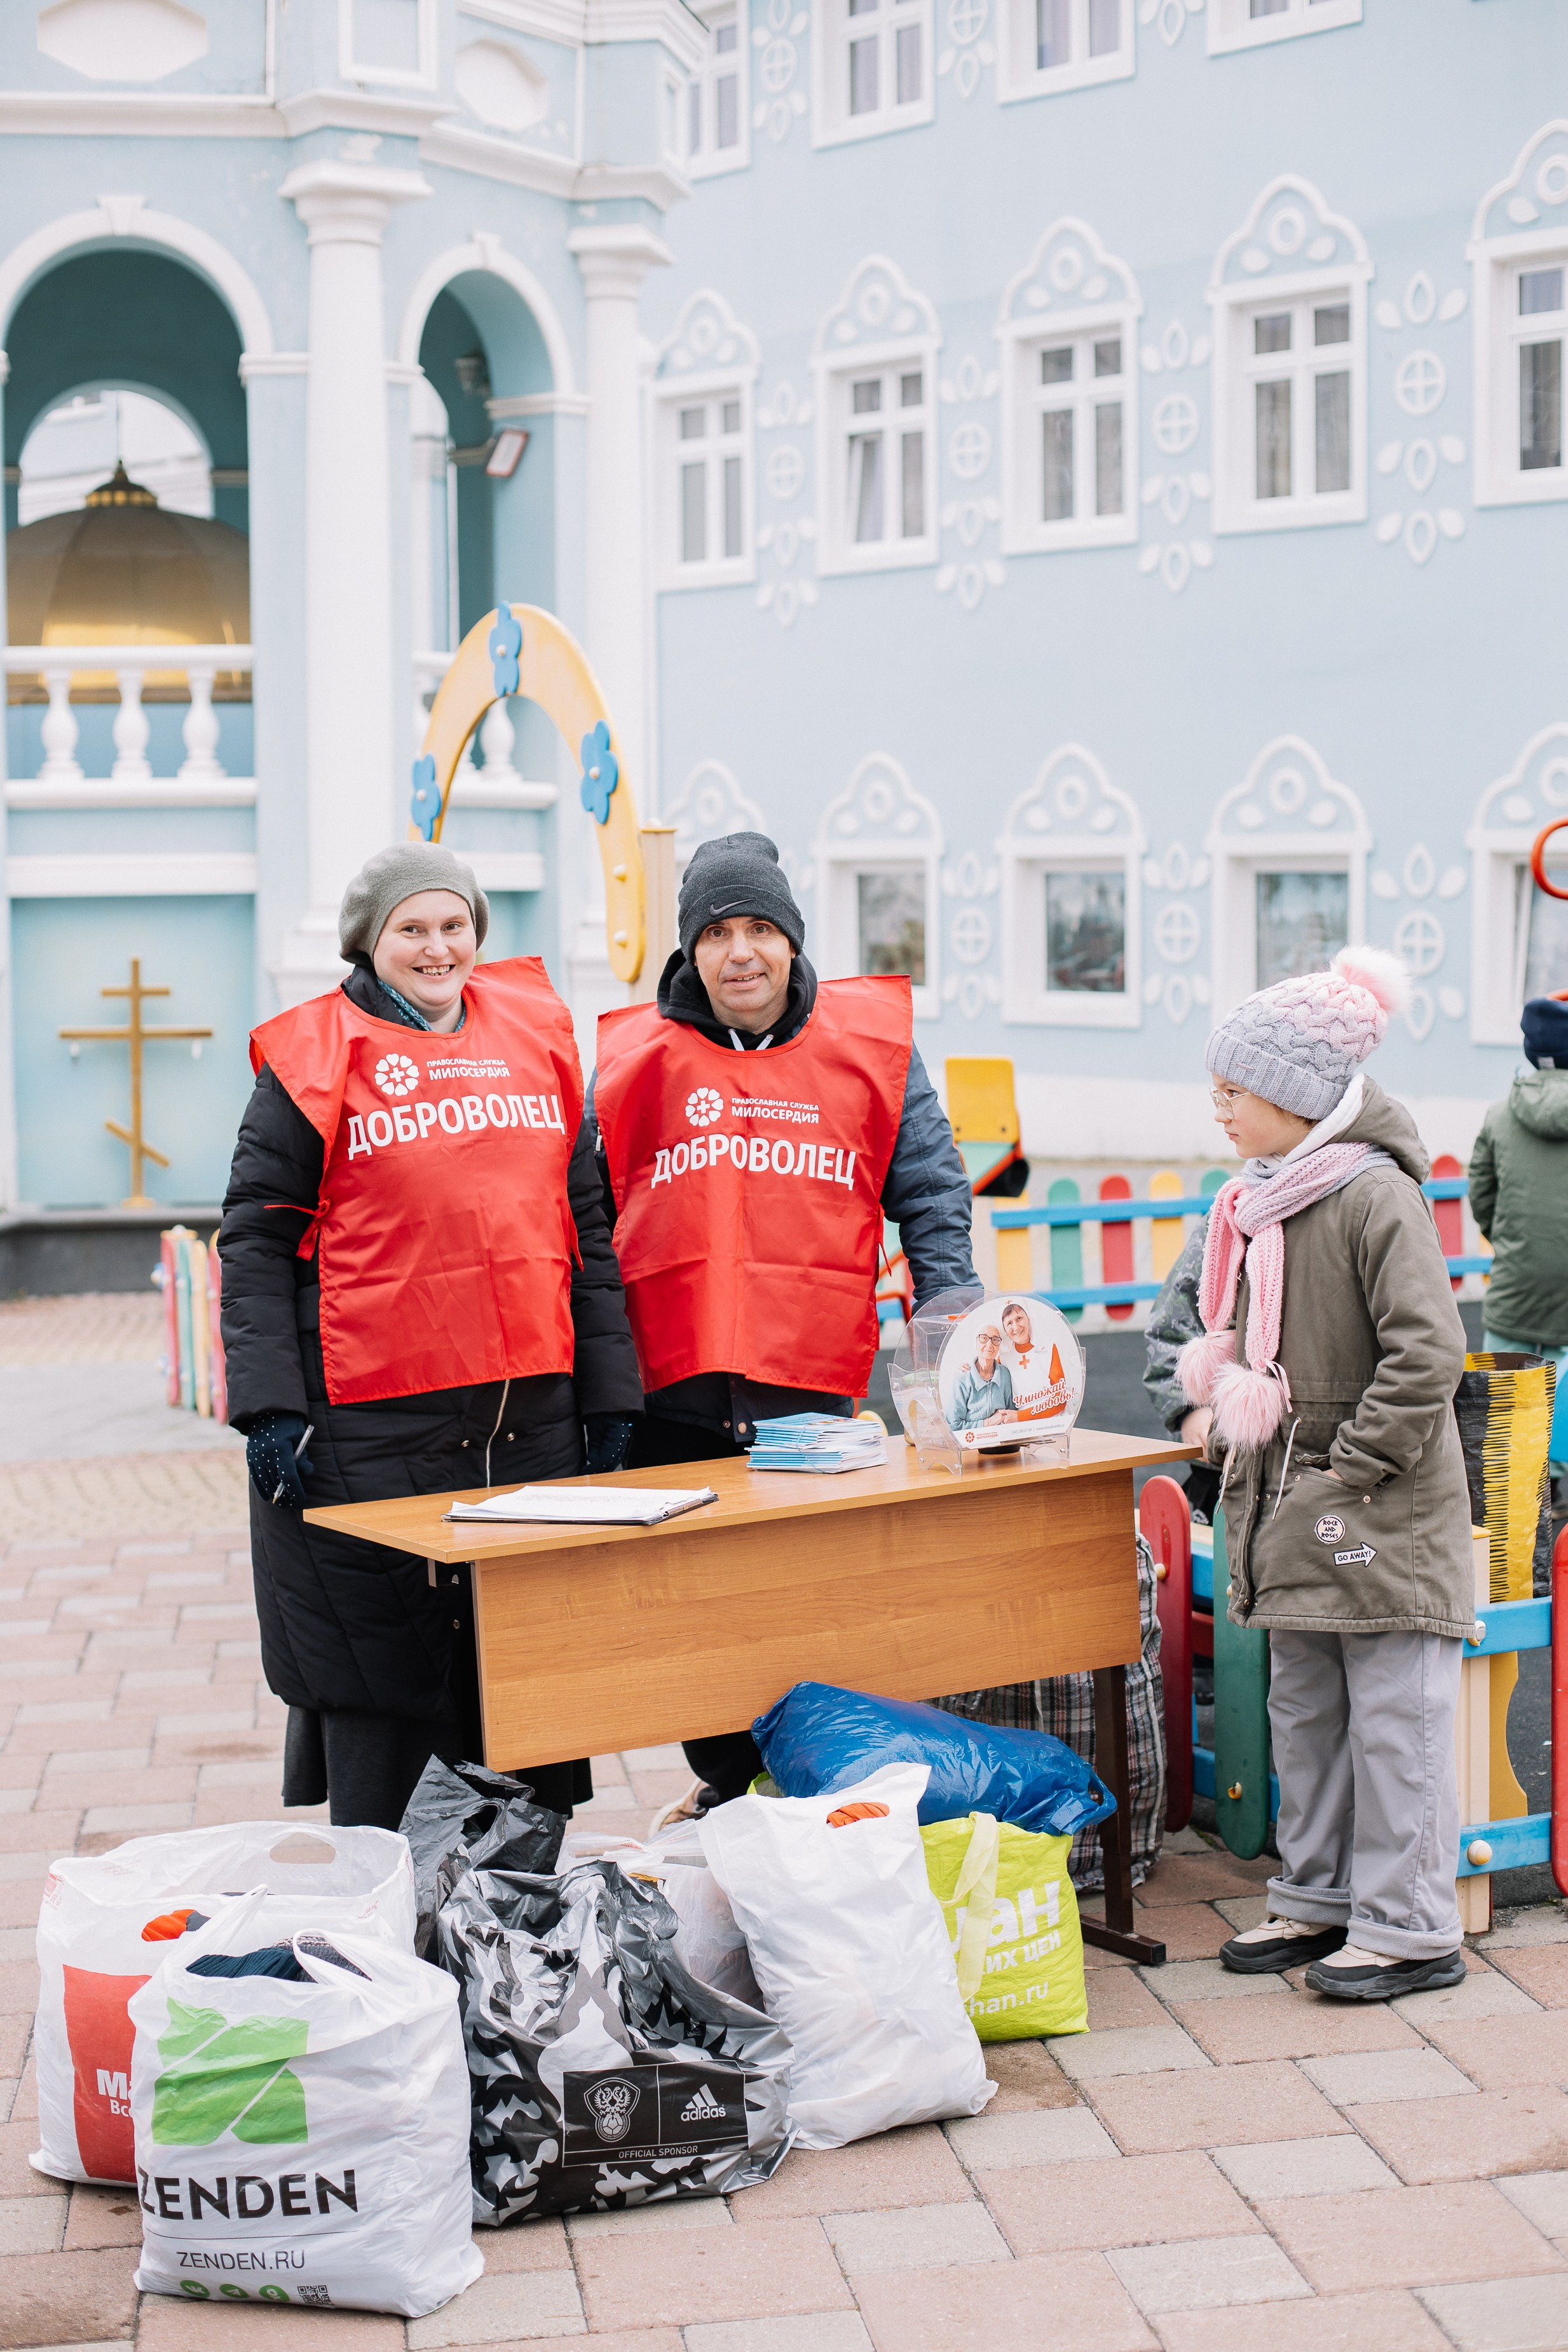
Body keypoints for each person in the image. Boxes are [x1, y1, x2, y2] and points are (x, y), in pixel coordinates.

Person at [219, 843, 643, 1831]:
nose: (436, 946)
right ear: (371, 941)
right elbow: (254, 1236)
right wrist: (270, 1408)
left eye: (454, 925)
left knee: (520, 1667)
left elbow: (586, 1224)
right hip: (372, 1428)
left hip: (524, 1422)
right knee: (386, 1671)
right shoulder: (313, 1056)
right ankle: (388, 1921)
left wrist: (611, 1398)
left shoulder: (536, 1038)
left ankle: (523, 1928)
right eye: (411, 927)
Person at [587, 830, 976, 1817]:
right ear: (689, 953)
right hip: (666, 1391)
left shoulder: (871, 1050)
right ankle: (727, 1783)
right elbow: (584, 1216)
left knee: (806, 1597)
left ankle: (800, 1781)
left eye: (760, 927)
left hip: (808, 1387)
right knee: (688, 1611)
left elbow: (928, 1185)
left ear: (793, 941)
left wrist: (951, 1319)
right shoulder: (633, 1059)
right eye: (716, 933)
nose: (741, 952)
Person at [1176, 947, 1473, 2000]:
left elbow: (1426, 1352)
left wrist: (1351, 1463)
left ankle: (1408, 1926)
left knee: (1393, 1722)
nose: (1218, 1108)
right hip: (1296, 1498)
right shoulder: (1254, 1201)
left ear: (1298, 1099)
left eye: (1234, 1091)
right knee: (1307, 1711)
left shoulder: (1371, 1199)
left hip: (1371, 1502)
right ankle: (1318, 1897)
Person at [1468, 990, 1568, 1501]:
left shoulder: (1499, 1114)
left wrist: (1511, 1241)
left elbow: (1481, 1197)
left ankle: (1511, 1536)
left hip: (1513, 1295)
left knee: (1501, 1431)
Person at [950, 1327, 1014, 1430]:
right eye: (984, 1338)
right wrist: (988, 1423)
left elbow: (1012, 1412)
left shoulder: (1005, 1374)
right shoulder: (962, 1378)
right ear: (976, 1342)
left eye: (995, 1339)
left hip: (1004, 1441)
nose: (989, 1344)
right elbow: (954, 1426)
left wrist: (1005, 1418)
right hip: (973, 1443)